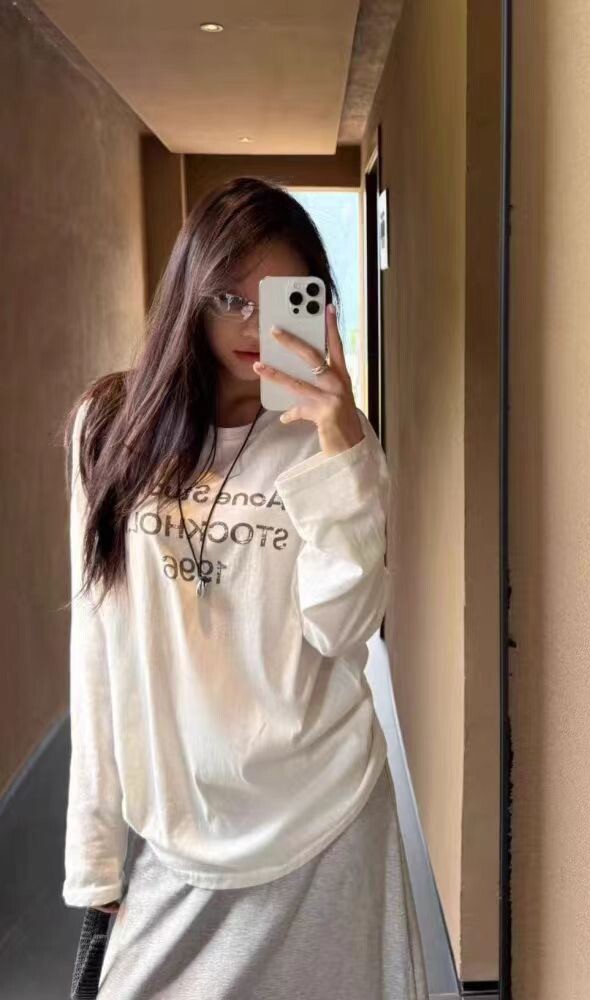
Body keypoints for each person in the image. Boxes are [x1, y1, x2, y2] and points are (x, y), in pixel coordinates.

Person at [61, 176, 428, 999]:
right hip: (181, 830)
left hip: (325, 817)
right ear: (189, 295)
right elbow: (98, 641)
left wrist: (342, 447)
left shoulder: (333, 442)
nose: (257, 328)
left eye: (284, 301)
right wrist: (95, 856)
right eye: (232, 299)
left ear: (319, 304)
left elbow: (344, 628)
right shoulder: (109, 427)